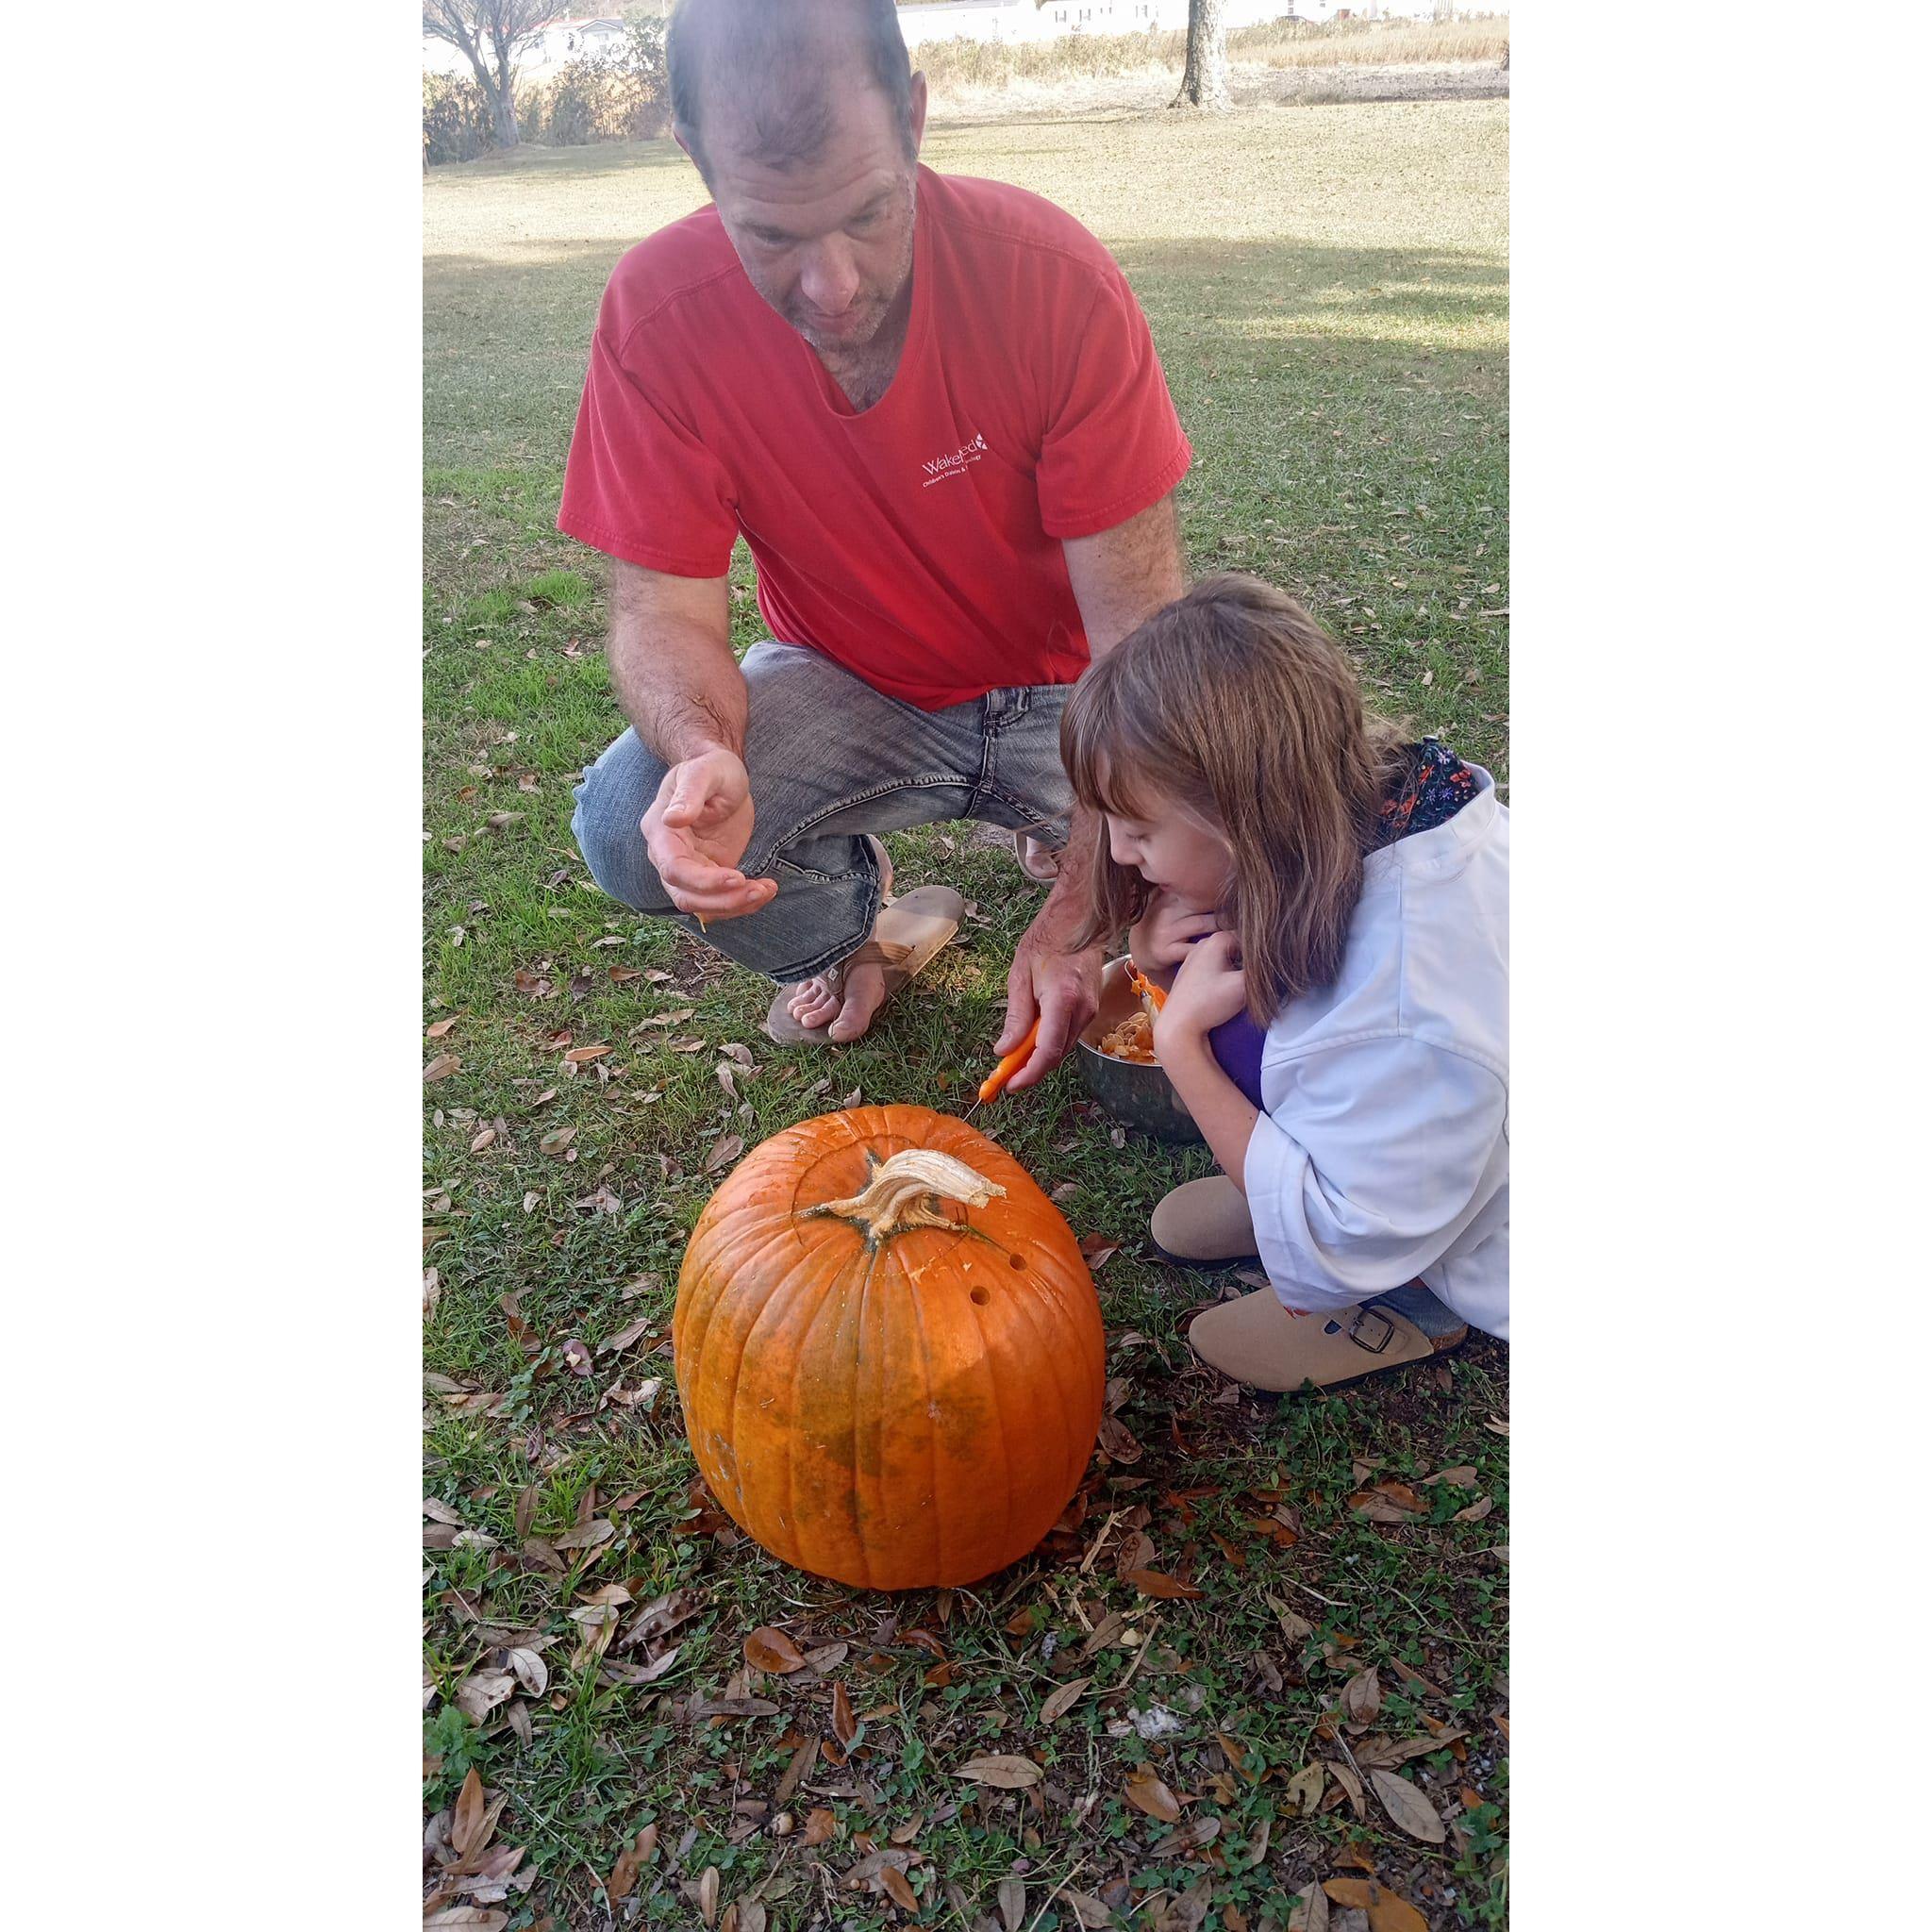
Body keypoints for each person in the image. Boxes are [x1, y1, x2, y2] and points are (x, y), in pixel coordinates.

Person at [559, 0, 1190, 1080]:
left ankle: (1071, 837)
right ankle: (858, 930)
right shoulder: (657, 317)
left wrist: (1082, 908)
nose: (832, 286)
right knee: (628, 823)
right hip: (858, 692)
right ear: (695, 160)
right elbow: (657, 617)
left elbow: (1141, 646)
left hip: (1074, 703)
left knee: (1263, 821)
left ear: (913, 117)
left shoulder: (1052, 280)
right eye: (771, 234)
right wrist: (704, 747)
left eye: (866, 213)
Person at [1059, 574, 1508, 1391]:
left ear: (1236, 817)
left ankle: (1415, 1300)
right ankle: (1281, 1181)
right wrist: (1153, 953)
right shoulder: (1356, 819)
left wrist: (1181, 1047)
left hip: (1456, 1229)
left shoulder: (1403, 1012)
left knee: (1355, 1235)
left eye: (1137, 830)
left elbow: (1356, 1231)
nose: (1121, 854)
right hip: (1396, 1134)